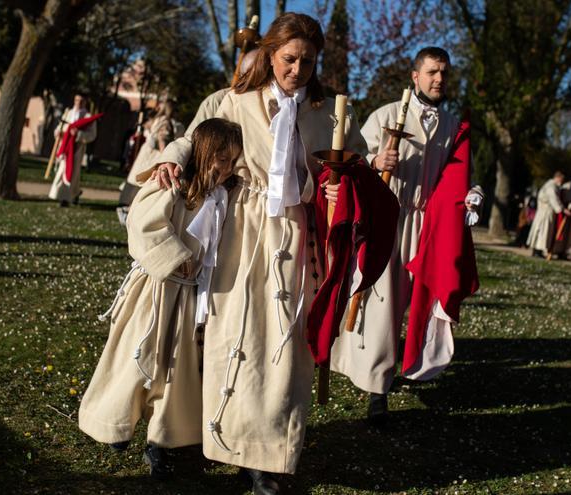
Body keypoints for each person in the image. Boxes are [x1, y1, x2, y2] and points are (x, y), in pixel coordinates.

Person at [154, 13, 367, 493]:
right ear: (270, 54)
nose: (297, 70)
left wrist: (343, 184)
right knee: (228, 333)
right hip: (238, 229)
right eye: (289, 59)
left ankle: (268, 458)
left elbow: (355, 164)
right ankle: (204, 434)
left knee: (285, 343)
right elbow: (193, 139)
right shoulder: (235, 100)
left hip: (296, 235)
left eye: (307, 62)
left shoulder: (331, 114)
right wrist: (171, 157)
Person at [324, 47, 483, 423]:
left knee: (422, 299)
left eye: (444, 72)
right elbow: (353, 159)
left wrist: (473, 193)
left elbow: (461, 175)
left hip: (427, 225)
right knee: (383, 304)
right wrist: (377, 162)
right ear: (415, 76)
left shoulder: (451, 126)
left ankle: (415, 362)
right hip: (390, 217)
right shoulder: (386, 116)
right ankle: (378, 390)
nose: (438, 79)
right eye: (431, 72)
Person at [79, 118, 242, 478]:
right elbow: (143, 222)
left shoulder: (225, 194)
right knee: (135, 359)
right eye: (220, 158)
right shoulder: (173, 183)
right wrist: (176, 258)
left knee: (175, 371)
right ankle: (115, 422)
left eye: (232, 160)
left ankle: (160, 442)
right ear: (202, 153)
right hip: (155, 290)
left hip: (190, 298)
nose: (225, 167)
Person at [48, 93, 98, 207]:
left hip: (77, 148)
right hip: (65, 147)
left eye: (81, 101)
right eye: (76, 100)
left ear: (85, 102)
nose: (78, 103)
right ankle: (72, 194)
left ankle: (65, 199)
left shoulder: (88, 117)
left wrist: (79, 134)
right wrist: (59, 133)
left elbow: (92, 135)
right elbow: (61, 127)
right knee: (63, 171)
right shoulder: (68, 113)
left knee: (72, 172)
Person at [527, 171, 568, 258]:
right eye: (561, 179)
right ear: (558, 178)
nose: (562, 181)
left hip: (546, 212)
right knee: (542, 231)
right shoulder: (551, 187)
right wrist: (563, 209)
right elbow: (554, 200)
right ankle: (537, 251)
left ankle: (538, 251)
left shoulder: (552, 186)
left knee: (543, 231)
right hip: (545, 212)